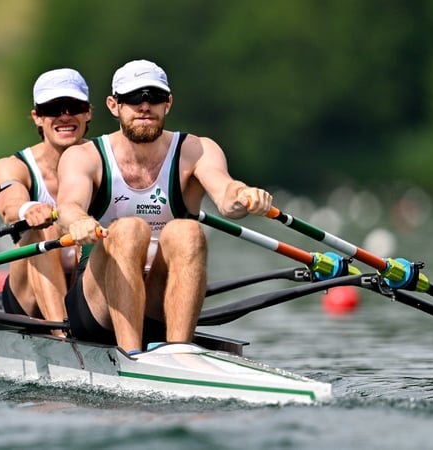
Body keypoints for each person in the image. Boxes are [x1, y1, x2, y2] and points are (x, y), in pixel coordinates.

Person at [56, 59, 272, 354]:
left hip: (160, 303)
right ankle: (131, 356)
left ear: (167, 103)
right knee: (130, 229)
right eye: (133, 98)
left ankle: (179, 353)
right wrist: (79, 221)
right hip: (99, 307)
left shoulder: (196, 150)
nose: (144, 107)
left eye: (154, 97)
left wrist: (245, 194)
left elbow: (226, 195)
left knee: (187, 230)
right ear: (113, 105)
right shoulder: (84, 156)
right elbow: (68, 207)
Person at [0, 68, 92, 334]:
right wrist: (28, 209)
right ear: (37, 117)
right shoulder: (14, 166)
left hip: (87, 290)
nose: (65, 116)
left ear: (88, 112)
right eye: (54, 108)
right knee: (44, 230)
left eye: (74, 106)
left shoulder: (103, 160)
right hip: (27, 300)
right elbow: (9, 204)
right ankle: (63, 336)